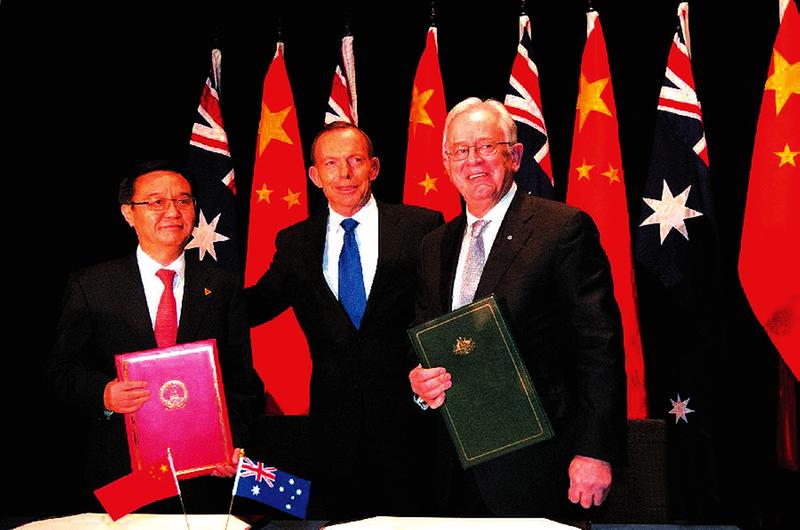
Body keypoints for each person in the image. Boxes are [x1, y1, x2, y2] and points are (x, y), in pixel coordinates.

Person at [409, 98, 627, 519]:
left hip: (539, 464)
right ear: (447, 164)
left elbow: (598, 346)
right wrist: (419, 381)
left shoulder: (561, 229)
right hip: (452, 466)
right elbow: (423, 337)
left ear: (515, 155)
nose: (473, 161)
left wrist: (595, 451)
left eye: (487, 147)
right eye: (460, 150)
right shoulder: (434, 245)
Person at [246, 121, 444, 520]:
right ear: (314, 175)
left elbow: (445, 308)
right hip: (333, 430)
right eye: (331, 164)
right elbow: (253, 306)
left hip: (412, 422)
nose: (345, 174)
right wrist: (188, 292)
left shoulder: (421, 227)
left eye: (355, 160)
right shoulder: (294, 242)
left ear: (374, 167)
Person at [47, 160, 263, 507]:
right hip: (123, 477)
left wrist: (231, 441)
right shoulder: (91, 286)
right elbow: (60, 370)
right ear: (128, 213)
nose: (172, 212)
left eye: (183, 201)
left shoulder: (222, 286)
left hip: (204, 478)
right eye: (156, 202)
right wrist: (104, 394)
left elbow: (242, 381)